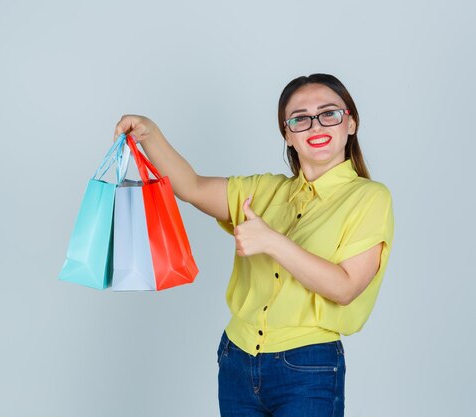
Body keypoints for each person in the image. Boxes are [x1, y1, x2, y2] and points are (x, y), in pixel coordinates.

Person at [114, 73, 394, 417]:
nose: (316, 127)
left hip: (308, 365)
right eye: (300, 119)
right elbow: (192, 187)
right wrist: (150, 135)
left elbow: (346, 287)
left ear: (350, 123)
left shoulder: (369, 197)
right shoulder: (264, 191)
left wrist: (272, 241)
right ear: (287, 134)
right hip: (237, 359)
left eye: (329, 114)